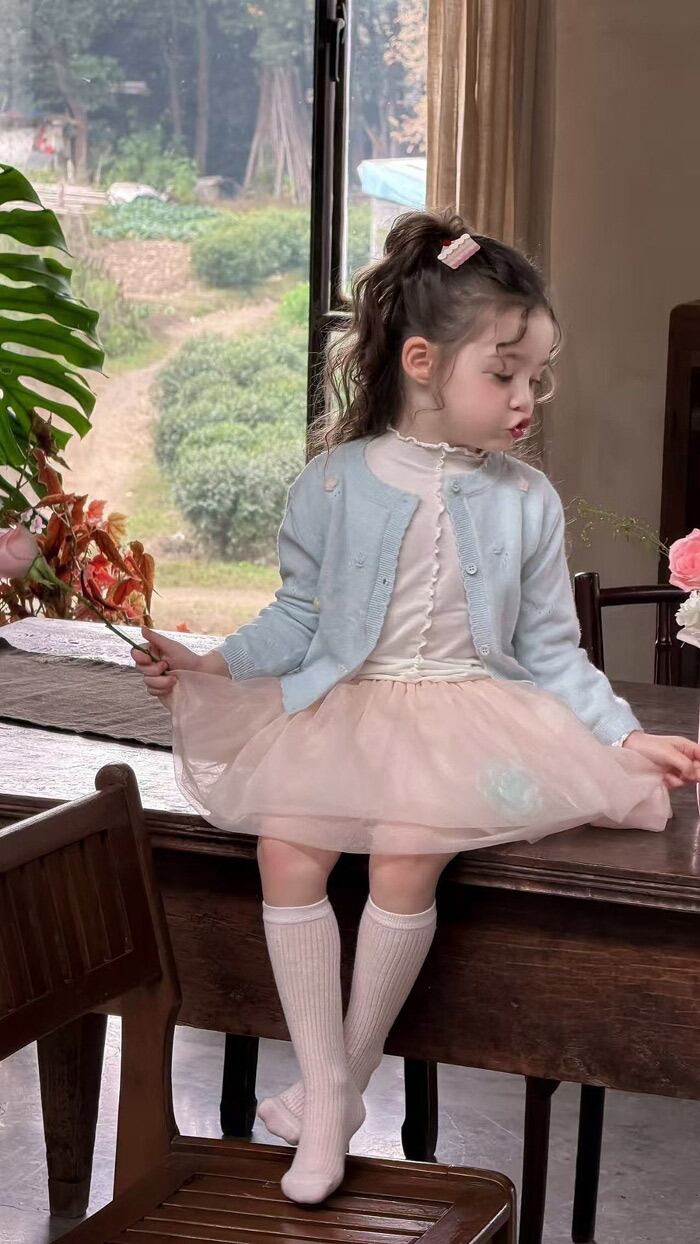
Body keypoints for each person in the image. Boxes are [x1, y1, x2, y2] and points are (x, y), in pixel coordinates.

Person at [132, 211, 700, 1206]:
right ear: (423, 362)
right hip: (345, 710)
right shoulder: (332, 483)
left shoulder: (527, 498)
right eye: (505, 373)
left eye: (537, 378)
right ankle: (333, 1087)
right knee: (287, 846)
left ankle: (334, 1092)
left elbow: (550, 649)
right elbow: (298, 617)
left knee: (407, 851)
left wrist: (621, 732)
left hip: (473, 718)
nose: (525, 400)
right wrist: (212, 663)